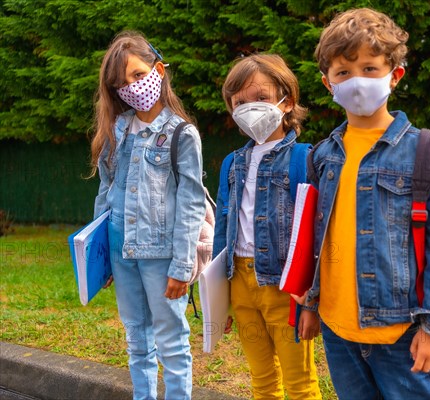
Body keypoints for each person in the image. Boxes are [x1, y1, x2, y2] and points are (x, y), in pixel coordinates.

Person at [304, 8, 430, 399]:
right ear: (327, 81)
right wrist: (312, 305)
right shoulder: (323, 155)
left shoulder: (426, 151)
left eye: (369, 68)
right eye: (343, 73)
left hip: (400, 331)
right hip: (337, 329)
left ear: (394, 74)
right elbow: (318, 237)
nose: (357, 81)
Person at [90, 31, 205, 400]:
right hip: (122, 254)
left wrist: (182, 265)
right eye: (122, 83)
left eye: (138, 75)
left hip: (162, 257)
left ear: (158, 69)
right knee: (136, 337)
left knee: (171, 341)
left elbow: (191, 201)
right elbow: (106, 194)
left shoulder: (181, 134)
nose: (132, 87)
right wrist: (99, 257)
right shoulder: (116, 131)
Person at [212, 54, 321, 400]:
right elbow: (223, 225)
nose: (249, 108)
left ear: (286, 101)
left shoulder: (306, 157)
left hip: (285, 287)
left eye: (260, 98)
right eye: (240, 102)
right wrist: (219, 295)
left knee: (300, 383)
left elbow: (315, 231)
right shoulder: (232, 162)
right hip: (240, 284)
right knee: (261, 380)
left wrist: (311, 298)